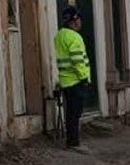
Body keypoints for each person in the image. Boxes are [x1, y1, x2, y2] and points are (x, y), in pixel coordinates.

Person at [54, 7, 92, 154]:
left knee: (70, 112)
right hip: (76, 80)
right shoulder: (75, 37)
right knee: (75, 113)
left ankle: (72, 140)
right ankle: (74, 142)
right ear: (73, 21)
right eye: (78, 19)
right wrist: (84, 78)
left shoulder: (59, 36)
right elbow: (77, 60)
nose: (80, 22)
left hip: (65, 80)